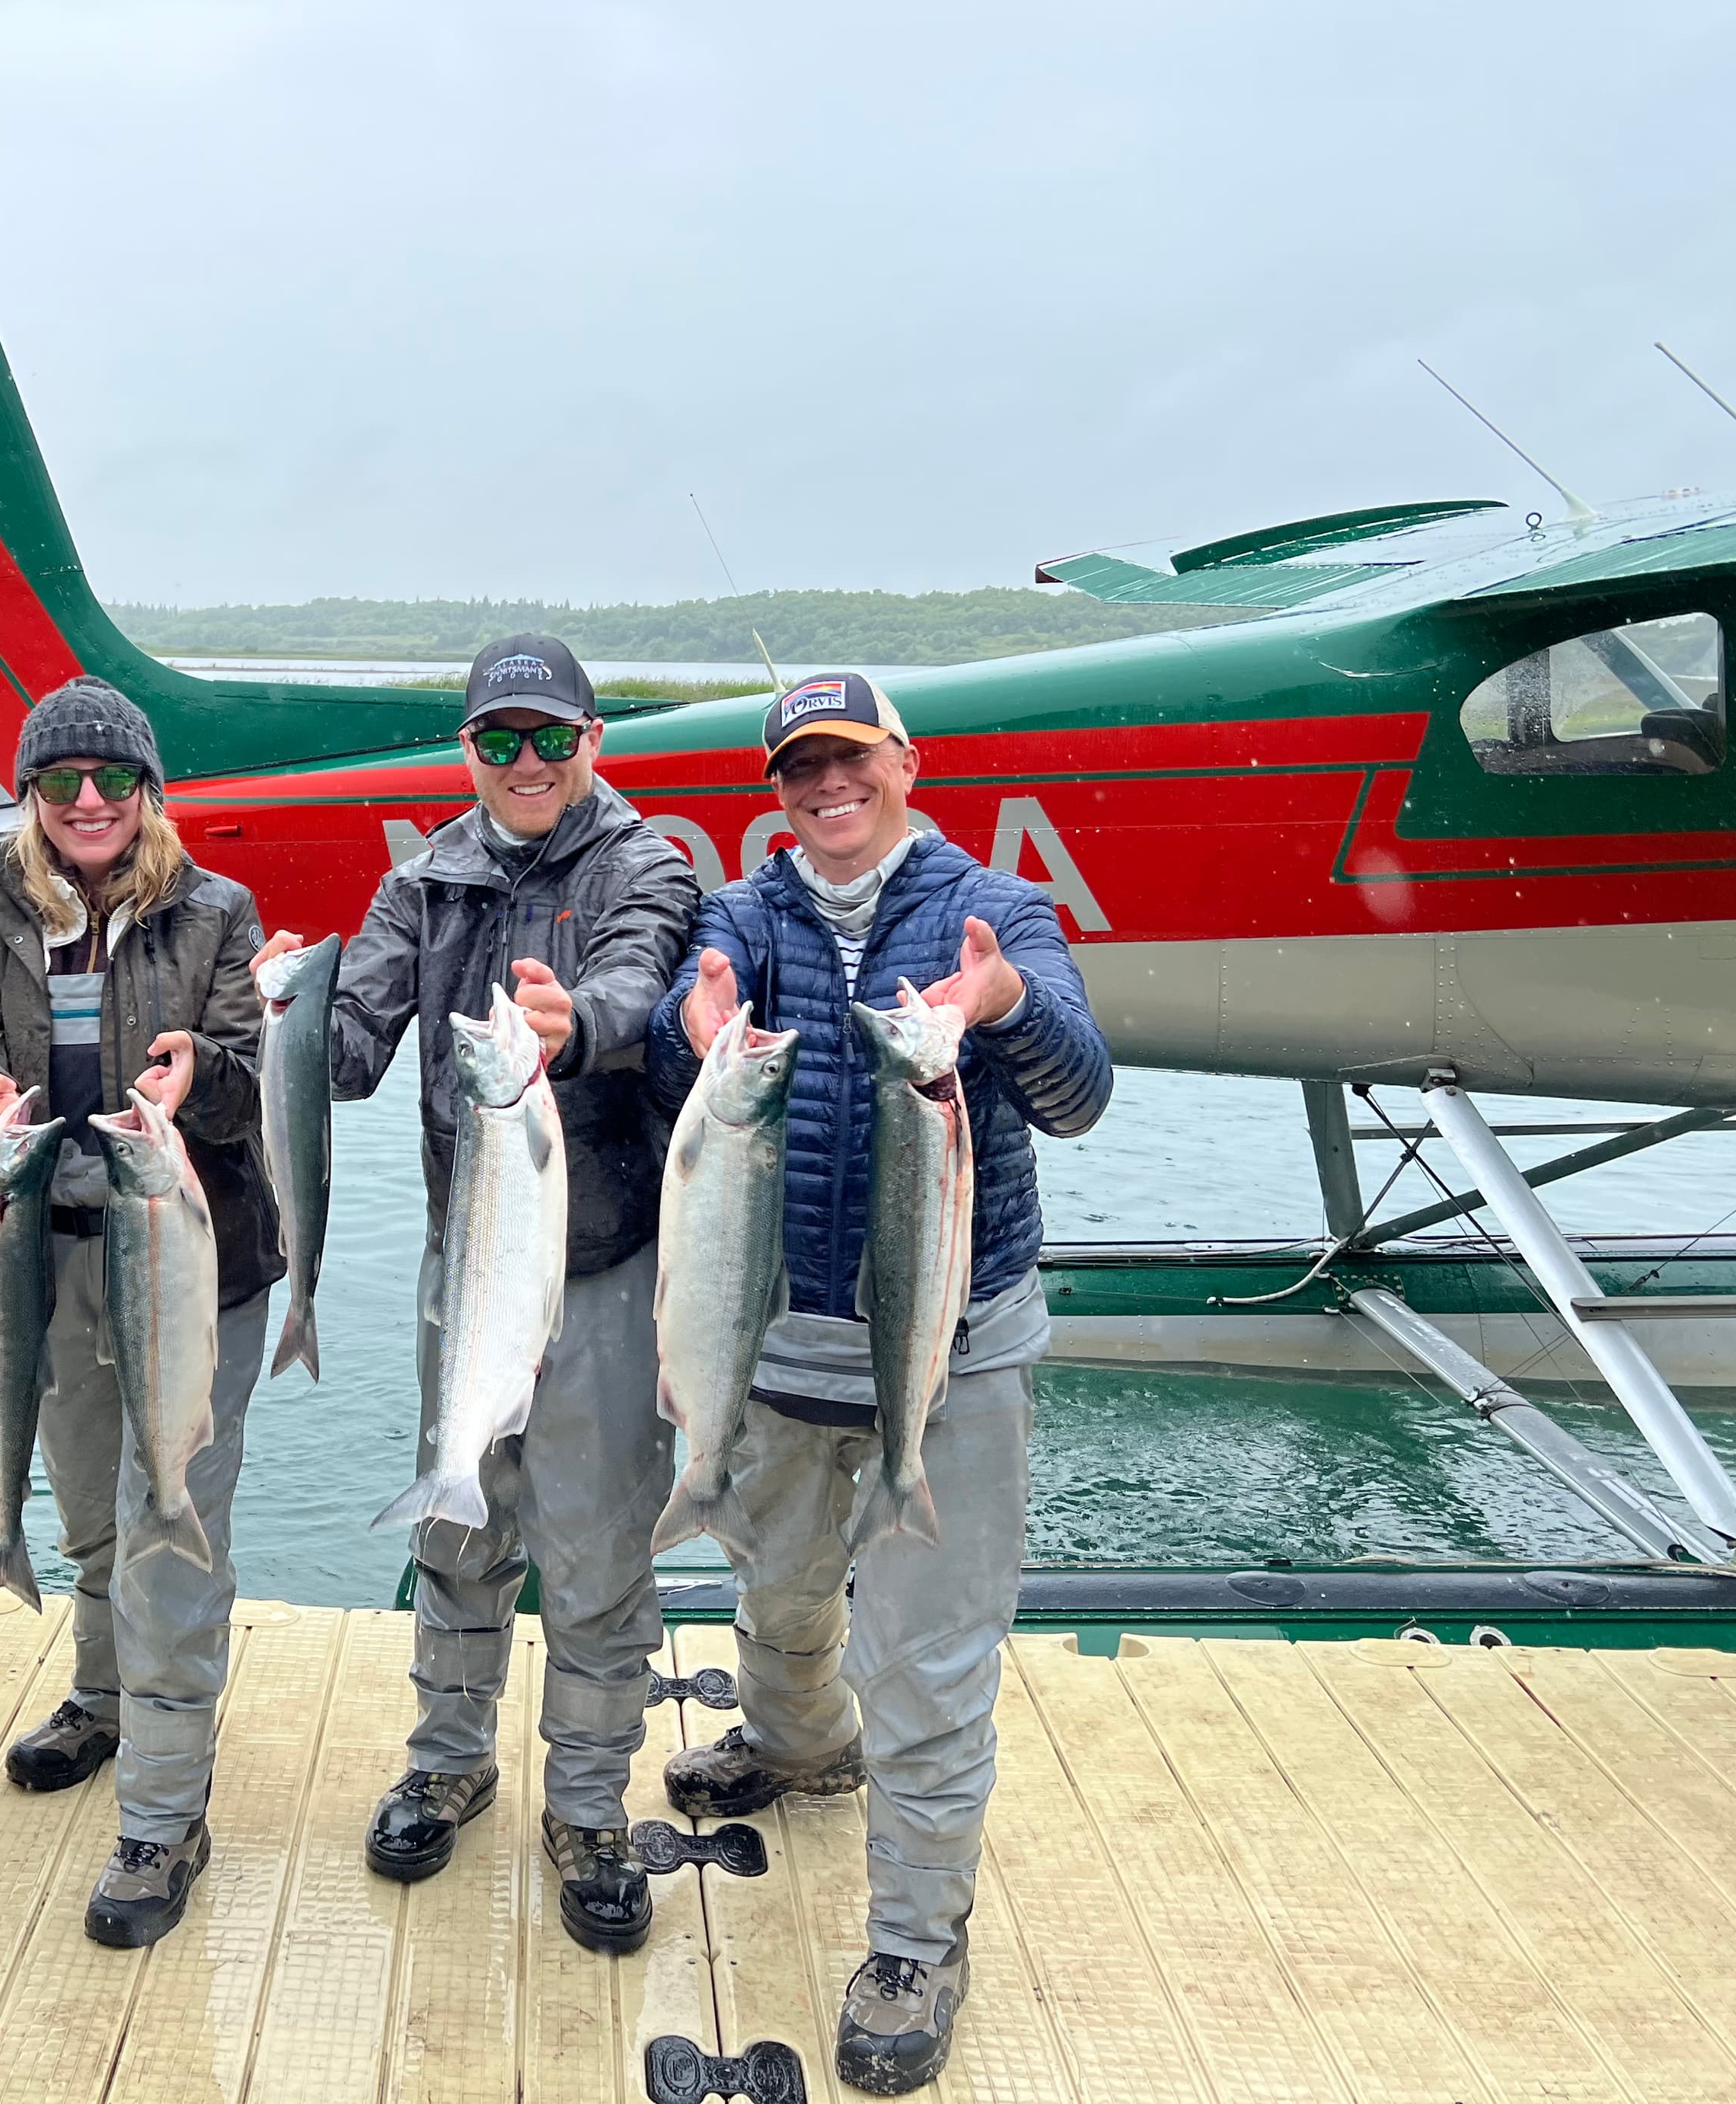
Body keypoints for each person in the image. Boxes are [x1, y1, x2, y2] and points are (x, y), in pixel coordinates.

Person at [646, 672, 1112, 2093]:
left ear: (908, 764)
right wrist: (698, 1017)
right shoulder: (747, 908)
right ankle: (797, 1748)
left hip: (950, 1354)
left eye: (852, 762)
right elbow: (695, 999)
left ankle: (915, 1941)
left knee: (927, 1662)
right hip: (781, 1354)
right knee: (779, 1598)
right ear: (777, 791)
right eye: (801, 770)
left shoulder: (994, 905)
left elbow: (1081, 1093)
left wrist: (1008, 1004)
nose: (827, 790)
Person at [256, 635, 698, 1955]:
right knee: (459, 1521)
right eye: (498, 741)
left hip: (609, 1261)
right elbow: (346, 1054)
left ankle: (587, 1805)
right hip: (470, 1257)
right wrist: (282, 1006)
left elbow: (643, 975)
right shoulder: (425, 881)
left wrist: (584, 1023)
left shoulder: (649, 861)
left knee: (602, 1549)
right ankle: (449, 1760)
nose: (525, 764)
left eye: (549, 738)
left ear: (592, 743)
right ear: (467, 753)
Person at [0, 675, 285, 1951]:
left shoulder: (218, 912)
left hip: (193, 1257)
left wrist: (211, 1072)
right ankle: (103, 1693)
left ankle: (165, 1814)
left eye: (111, 779)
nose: (88, 802)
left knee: (168, 1515)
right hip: (40, 1255)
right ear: (32, 794)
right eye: (62, 781)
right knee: (86, 1504)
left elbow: (250, 1087)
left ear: (147, 793)